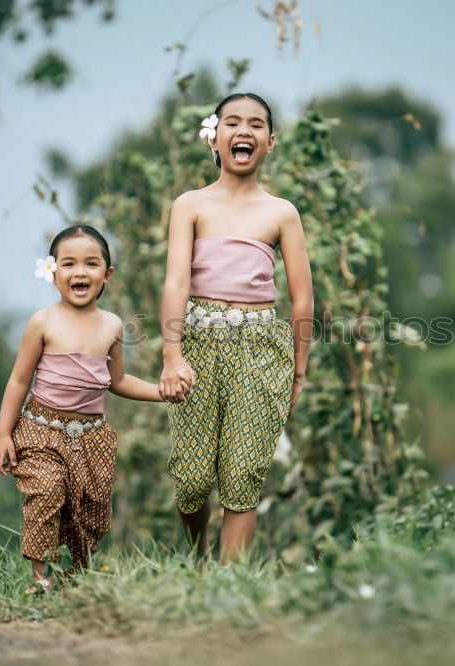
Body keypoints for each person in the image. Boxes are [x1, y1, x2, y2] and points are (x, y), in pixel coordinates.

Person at [0, 224, 193, 594]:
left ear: (107, 274)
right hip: (41, 429)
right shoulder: (42, 322)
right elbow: (19, 381)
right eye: (68, 264)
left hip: (91, 436)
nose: (80, 272)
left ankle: (73, 578)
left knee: (89, 511)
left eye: (91, 264)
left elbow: (116, 381)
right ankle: (39, 579)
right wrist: (4, 434)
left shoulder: (112, 325)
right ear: (53, 273)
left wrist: (162, 393)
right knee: (47, 490)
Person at [159, 92, 314, 563]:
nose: (243, 131)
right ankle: (198, 561)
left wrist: (299, 368)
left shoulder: (281, 213)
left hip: (261, 350)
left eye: (255, 125)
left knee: (243, 471)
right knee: (191, 478)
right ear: (215, 136)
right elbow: (175, 281)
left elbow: (303, 297)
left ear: (270, 142)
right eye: (232, 123)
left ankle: (230, 588)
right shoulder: (190, 205)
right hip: (198, 346)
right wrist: (171, 354)